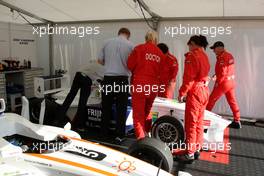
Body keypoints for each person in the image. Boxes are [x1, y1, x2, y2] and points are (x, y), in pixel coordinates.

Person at [177, 35, 210, 163]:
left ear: (193, 43)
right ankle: (196, 149)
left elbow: (189, 78)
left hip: (195, 92)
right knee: (199, 122)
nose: (189, 48)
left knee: (191, 123)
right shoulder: (205, 56)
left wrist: (182, 93)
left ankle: (189, 153)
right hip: (204, 90)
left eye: (189, 45)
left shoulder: (192, 56)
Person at [127, 31, 166, 140]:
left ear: (146, 38)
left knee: (138, 114)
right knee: (147, 111)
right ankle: (147, 132)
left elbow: (130, 65)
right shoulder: (160, 53)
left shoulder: (139, 49)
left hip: (140, 84)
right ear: (155, 39)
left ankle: (141, 138)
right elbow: (162, 72)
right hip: (153, 86)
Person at [98, 28, 134, 140]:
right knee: (121, 108)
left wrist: (109, 63)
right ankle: (119, 135)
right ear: (128, 35)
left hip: (108, 78)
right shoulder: (131, 45)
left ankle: (103, 133)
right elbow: (133, 64)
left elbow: (100, 60)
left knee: (106, 107)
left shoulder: (107, 42)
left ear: (118, 33)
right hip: (122, 79)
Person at [206, 41, 241, 129]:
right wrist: (216, 75)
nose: (213, 51)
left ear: (219, 48)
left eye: (214, 49)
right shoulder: (229, 55)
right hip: (231, 82)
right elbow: (225, 71)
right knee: (232, 101)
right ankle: (237, 121)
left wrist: (217, 80)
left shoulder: (222, 57)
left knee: (211, 100)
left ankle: (204, 119)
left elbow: (222, 72)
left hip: (223, 83)